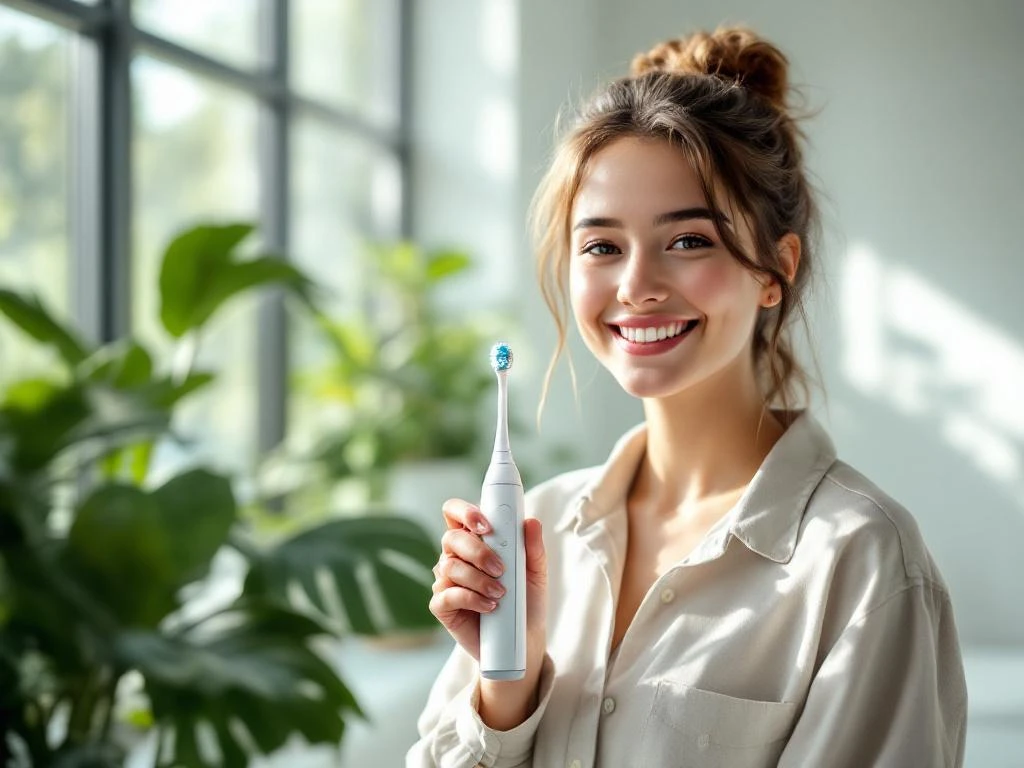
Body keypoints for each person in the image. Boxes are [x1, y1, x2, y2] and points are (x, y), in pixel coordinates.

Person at [406, 25, 967, 768]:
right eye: (602, 246)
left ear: (776, 268)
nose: (636, 286)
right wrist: (505, 690)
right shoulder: (533, 527)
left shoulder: (859, 564)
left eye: (688, 240)